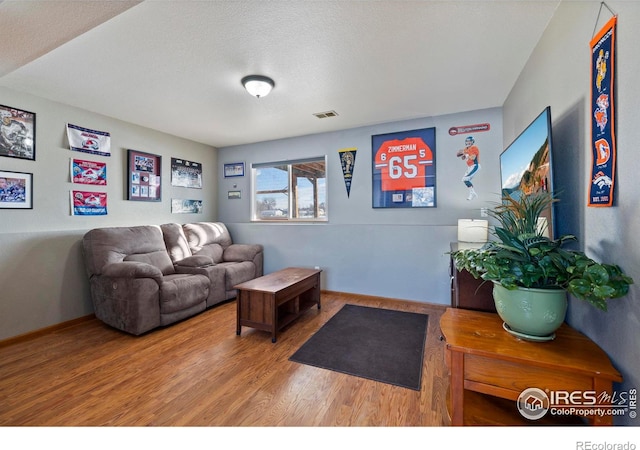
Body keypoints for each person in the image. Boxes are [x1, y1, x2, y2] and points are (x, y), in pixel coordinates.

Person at [457, 136, 481, 200]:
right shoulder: (465, 149)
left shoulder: (474, 148)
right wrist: (463, 154)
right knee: (464, 180)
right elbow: (463, 158)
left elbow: (473, 157)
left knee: (465, 178)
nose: (468, 142)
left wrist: (466, 154)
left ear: (472, 142)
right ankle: (472, 193)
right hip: (469, 167)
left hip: (475, 165)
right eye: (467, 141)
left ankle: (472, 193)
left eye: (470, 141)